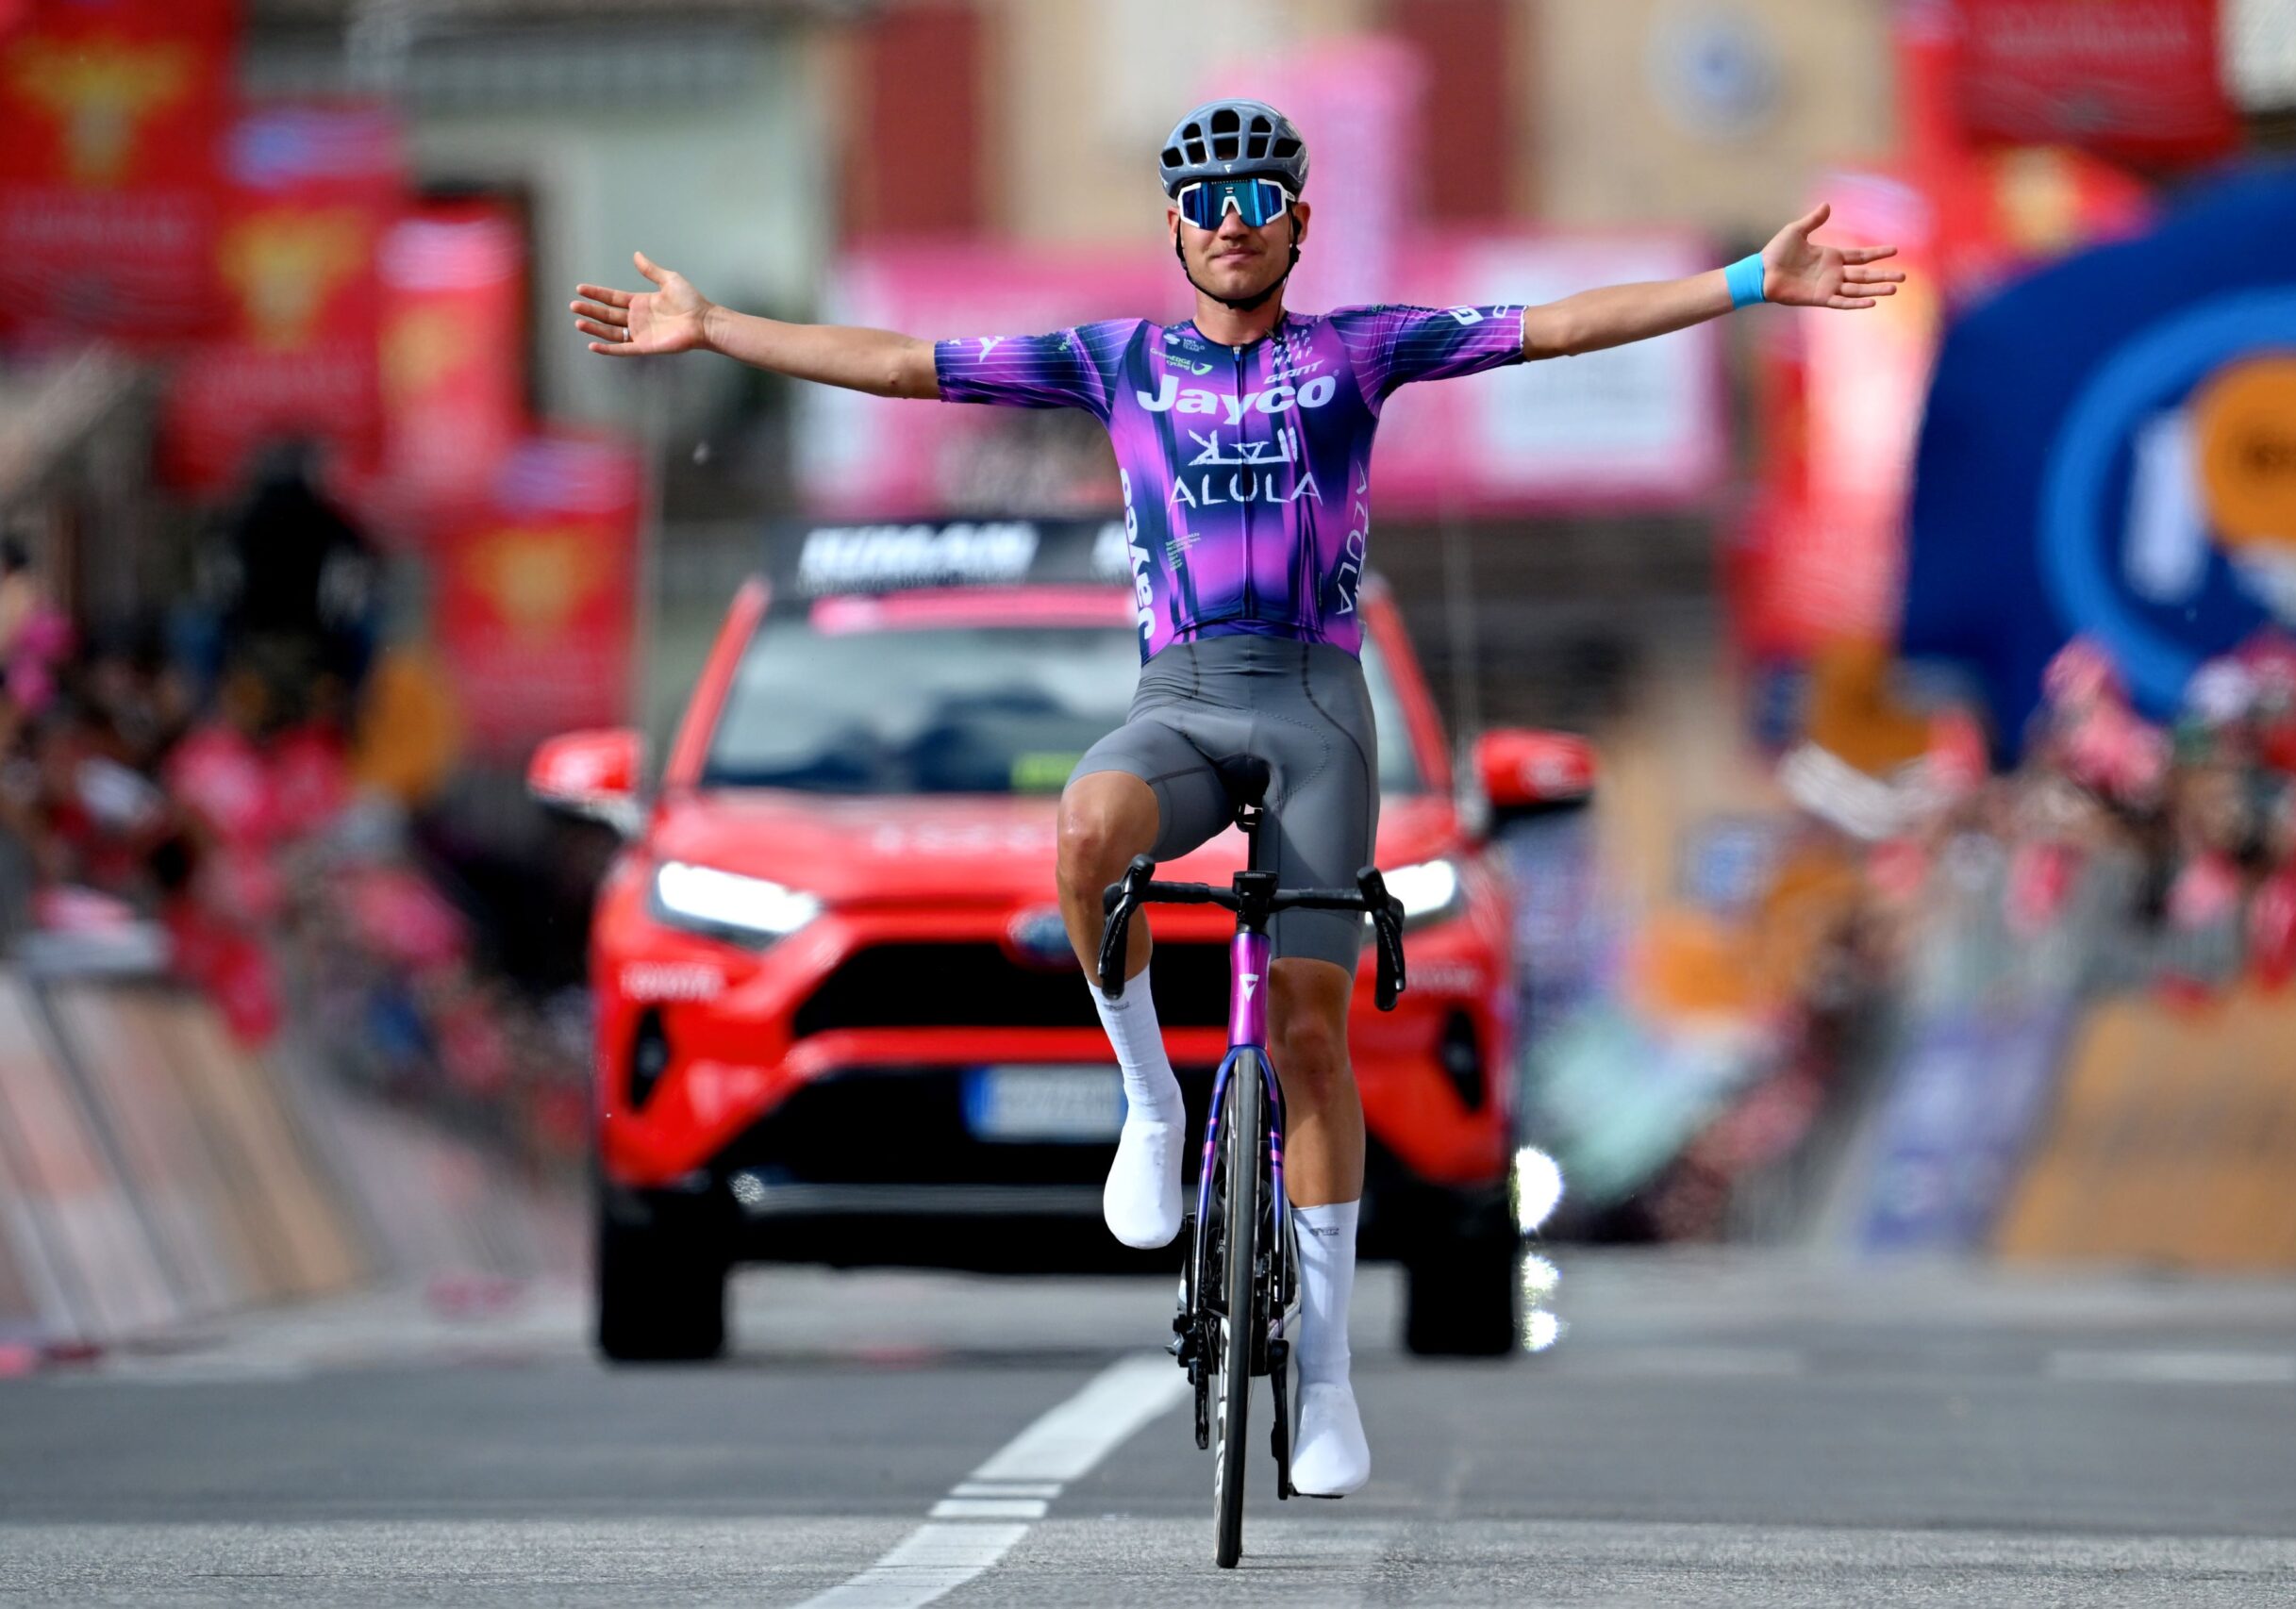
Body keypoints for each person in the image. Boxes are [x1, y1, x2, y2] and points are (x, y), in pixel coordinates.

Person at [570, 96, 1901, 1498]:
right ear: (1173, 229)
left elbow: (1554, 326)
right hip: (1182, 704)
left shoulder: (1359, 352)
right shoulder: (1116, 364)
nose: (1230, 225)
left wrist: (1753, 281)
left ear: (1298, 223)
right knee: (1085, 832)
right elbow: (906, 365)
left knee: (1317, 1035)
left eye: (1258, 201)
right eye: (1205, 206)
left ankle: (1324, 1380)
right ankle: (1153, 1102)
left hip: (1322, 709)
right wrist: (718, 328)